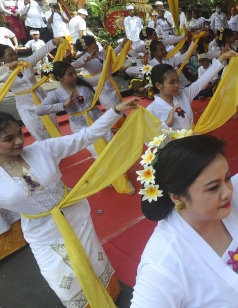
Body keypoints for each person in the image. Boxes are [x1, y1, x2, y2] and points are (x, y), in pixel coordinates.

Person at [131, 124, 238, 307]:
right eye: (213, 187)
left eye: (227, 177)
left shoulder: (237, 192)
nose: (227, 192)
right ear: (176, 196)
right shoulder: (163, 263)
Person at [0, 99, 138, 306]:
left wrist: (115, 111)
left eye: (19, 133)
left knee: (93, 259)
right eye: (8, 139)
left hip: (76, 216)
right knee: (59, 278)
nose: (19, 141)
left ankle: (109, 294)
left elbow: (86, 136)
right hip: (40, 232)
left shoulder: (42, 149)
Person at [146, 50, 238, 130]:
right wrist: (167, 124)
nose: (177, 85)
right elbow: (151, 140)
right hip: (175, 149)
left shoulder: (183, 94)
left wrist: (222, 57)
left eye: (177, 81)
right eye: (171, 82)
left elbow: (202, 81)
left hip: (192, 140)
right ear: (159, 85)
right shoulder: (151, 110)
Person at [0, 39, 61, 141]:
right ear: (1, 58)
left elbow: (41, 52)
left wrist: (53, 42)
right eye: (10, 55)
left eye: (15, 54)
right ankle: (47, 154)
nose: (15, 57)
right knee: (37, 131)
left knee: (53, 128)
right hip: (25, 106)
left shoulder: (26, 62)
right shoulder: (2, 73)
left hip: (42, 100)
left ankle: (61, 150)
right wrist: (10, 65)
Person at [70, 36, 127, 110]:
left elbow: (113, 52)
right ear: (88, 47)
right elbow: (71, 66)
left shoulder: (100, 54)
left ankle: (124, 120)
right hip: (98, 84)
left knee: (119, 103)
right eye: (94, 44)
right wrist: (88, 58)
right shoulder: (84, 58)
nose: (97, 45)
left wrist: (122, 44)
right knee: (111, 106)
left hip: (109, 81)